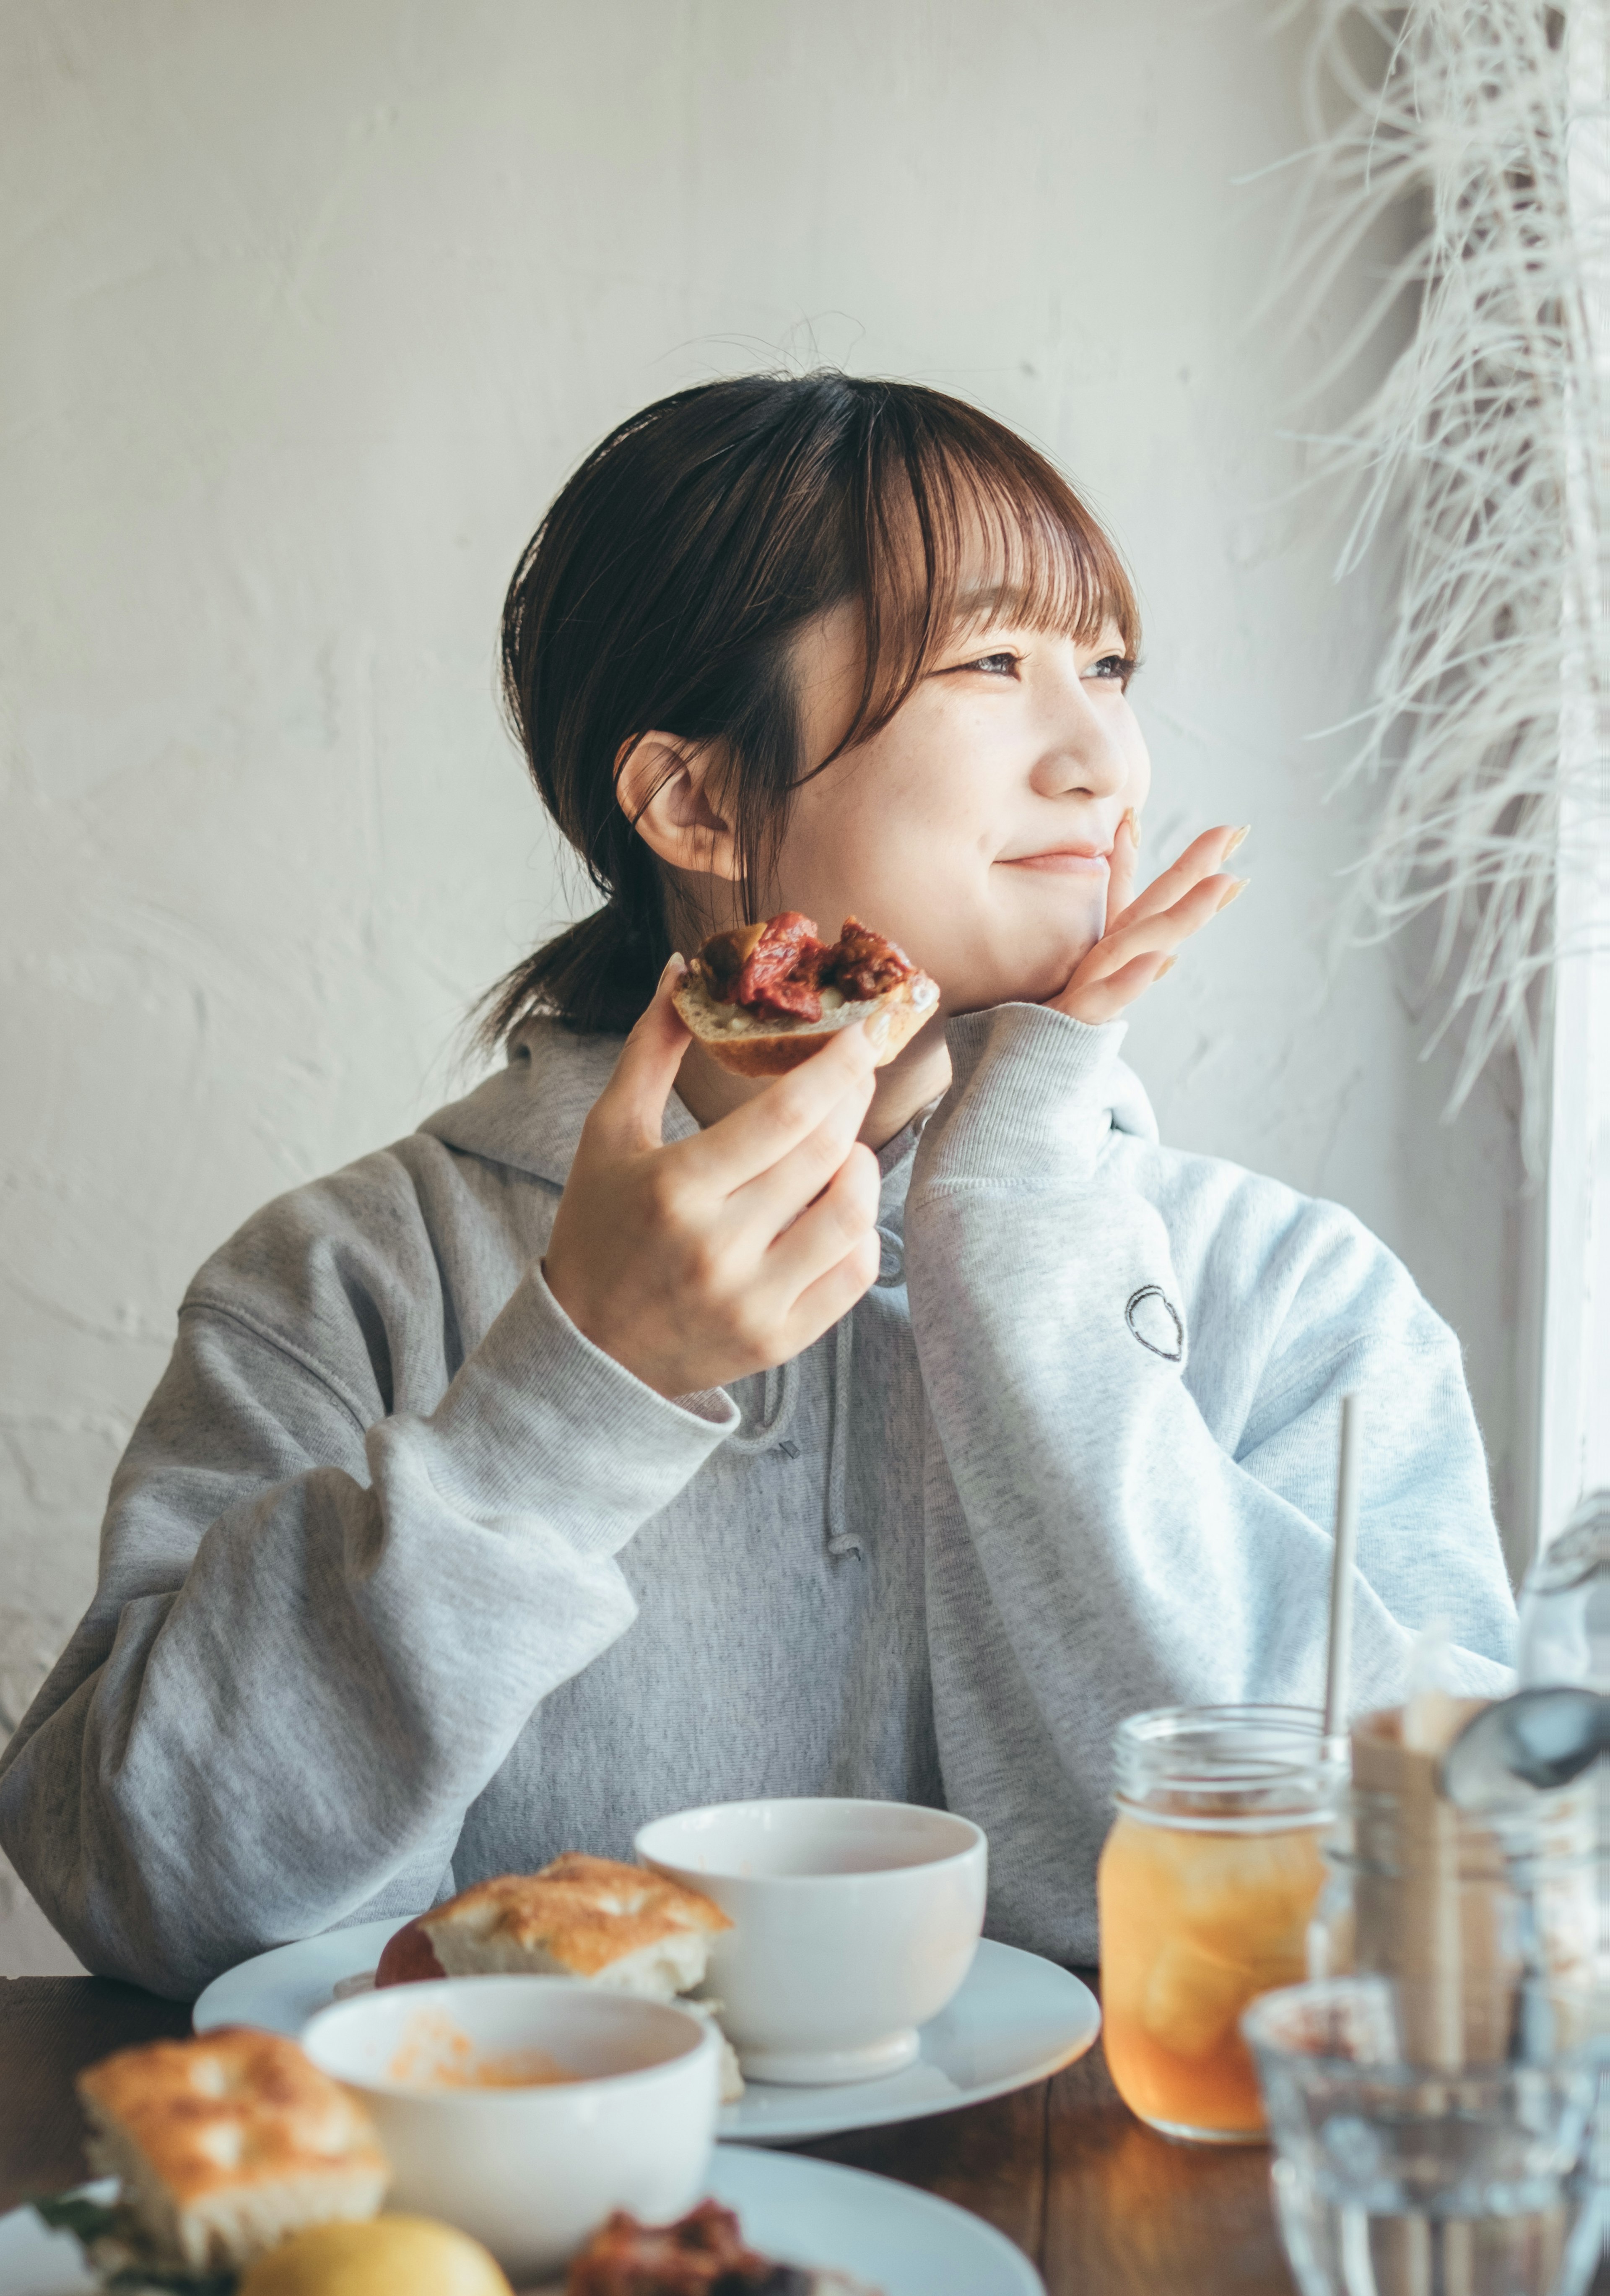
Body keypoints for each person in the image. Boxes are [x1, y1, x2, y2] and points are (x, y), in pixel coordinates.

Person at [0, 374, 1514, 1999]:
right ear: (697, 799)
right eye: (995, 663)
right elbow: (164, 1904)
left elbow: (1440, 1912)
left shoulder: (1294, 1294)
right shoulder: (348, 1279)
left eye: (1110, 667)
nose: (1101, 760)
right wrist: (574, 1388)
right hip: (536, 2226)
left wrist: (1020, 1230)